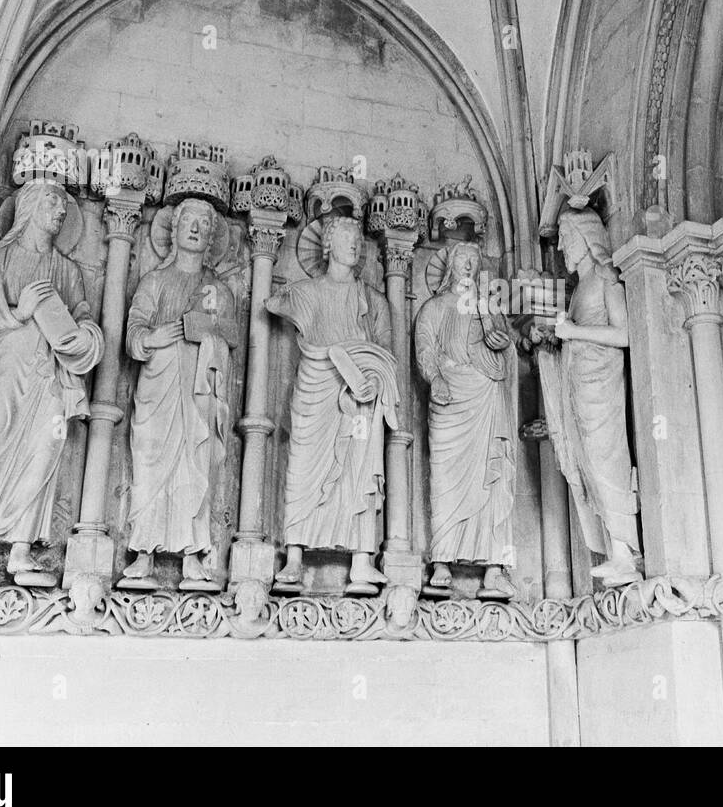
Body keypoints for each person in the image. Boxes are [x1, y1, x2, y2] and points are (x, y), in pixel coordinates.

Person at [0, 181, 104, 585]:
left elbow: (83, 316)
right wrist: (20, 312)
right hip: (4, 373)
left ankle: (21, 547)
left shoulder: (66, 270)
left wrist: (85, 335)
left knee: (43, 451)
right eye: (52, 200)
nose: (61, 210)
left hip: (49, 379)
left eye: (65, 205)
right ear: (29, 206)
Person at [266, 216, 398, 592]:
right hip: (316, 392)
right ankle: (294, 557)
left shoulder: (372, 300)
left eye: (357, 239)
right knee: (305, 465)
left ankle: (361, 559)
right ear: (327, 245)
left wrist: (372, 378)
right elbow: (273, 302)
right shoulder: (306, 292)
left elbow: (386, 352)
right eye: (345, 238)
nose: (354, 245)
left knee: (358, 469)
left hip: (357, 400)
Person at [121, 198, 238, 588]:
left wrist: (209, 338)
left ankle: (192, 554)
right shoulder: (154, 281)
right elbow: (133, 332)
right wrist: (152, 337)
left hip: (199, 390)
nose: (197, 229)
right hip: (160, 387)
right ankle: (142, 552)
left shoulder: (218, 291)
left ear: (211, 238)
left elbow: (232, 339)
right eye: (189, 221)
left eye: (205, 226)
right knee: (152, 463)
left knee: (196, 465)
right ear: (173, 229)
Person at [535, 207, 641, 587]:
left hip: (601, 388)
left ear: (586, 236)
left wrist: (575, 334)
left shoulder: (604, 279)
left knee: (606, 460)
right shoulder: (580, 288)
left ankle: (626, 553)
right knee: (586, 464)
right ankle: (616, 551)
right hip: (579, 387)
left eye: (566, 236)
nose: (562, 244)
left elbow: (624, 335)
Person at [415, 241, 516, 598]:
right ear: (450, 266)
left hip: (485, 392)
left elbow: (505, 345)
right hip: (449, 395)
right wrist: (436, 377)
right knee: (445, 476)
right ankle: (442, 560)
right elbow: (425, 347)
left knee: (491, 480)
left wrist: (495, 333)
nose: (469, 265)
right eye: (463, 259)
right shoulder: (435, 307)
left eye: (475, 260)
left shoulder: (488, 307)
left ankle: (492, 567)